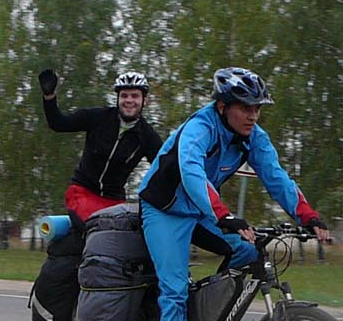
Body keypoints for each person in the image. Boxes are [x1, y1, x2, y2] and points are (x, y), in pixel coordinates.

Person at [137, 67, 330, 321]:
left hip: (201, 211)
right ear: (223, 107)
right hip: (165, 211)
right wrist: (224, 215)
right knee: (175, 290)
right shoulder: (200, 128)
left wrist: (308, 216)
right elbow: (191, 172)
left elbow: (276, 176)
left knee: (248, 252)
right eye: (245, 108)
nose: (253, 115)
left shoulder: (253, 137)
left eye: (257, 108)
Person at [39, 68, 233, 223]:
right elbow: (58, 123)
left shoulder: (146, 136)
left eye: (134, 96)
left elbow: (166, 167)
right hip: (82, 192)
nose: (129, 101)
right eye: (124, 96)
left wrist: (202, 183)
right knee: (96, 229)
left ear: (144, 100)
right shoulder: (98, 117)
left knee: (124, 239)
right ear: (118, 99)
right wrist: (49, 97)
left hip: (114, 201)